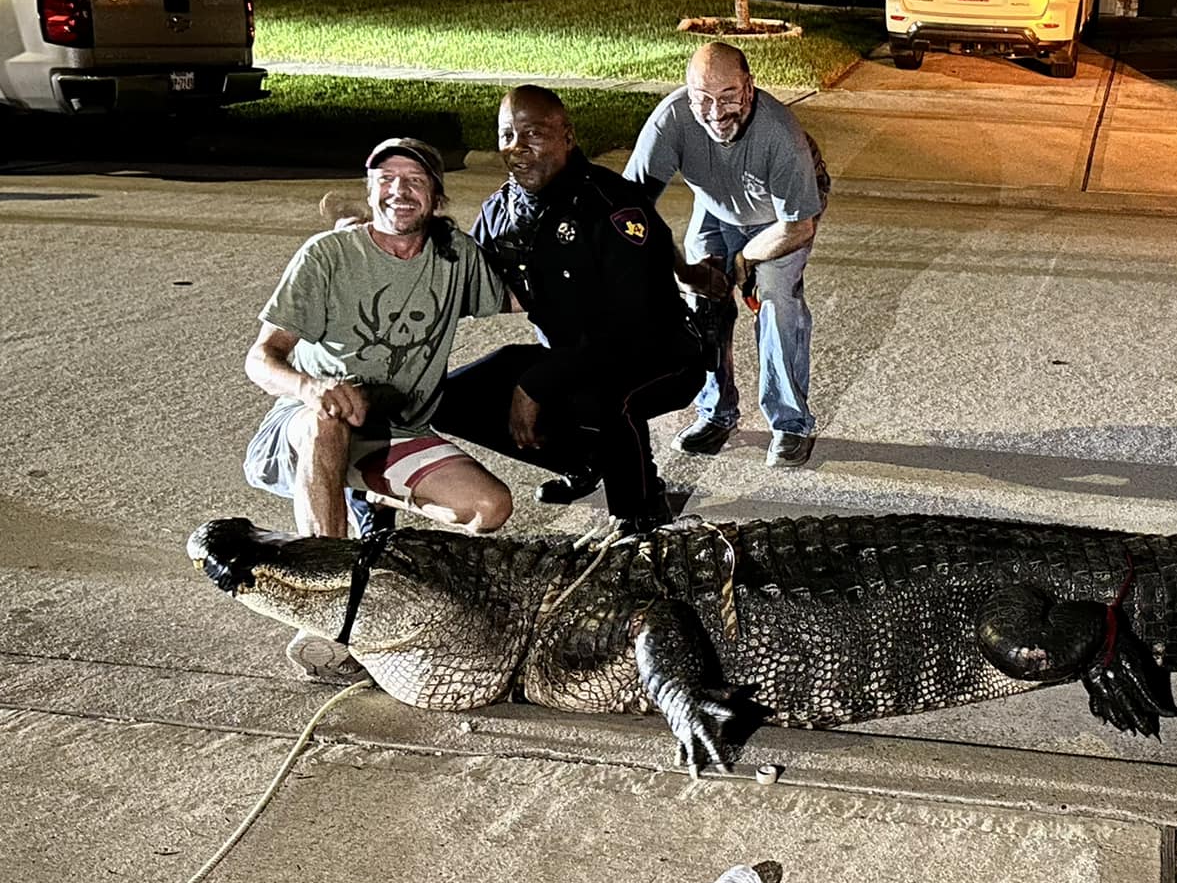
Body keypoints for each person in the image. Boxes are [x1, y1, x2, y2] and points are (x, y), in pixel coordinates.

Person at [243, 138, 513, 667]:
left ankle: (373, 521)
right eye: (385, 178)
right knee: (329, 420)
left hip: (391, 429)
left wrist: (640, 277)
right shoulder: (327, 255)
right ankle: (327, 599)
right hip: (303, 426)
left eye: (414, 180)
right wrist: (308, 387)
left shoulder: (454, 255)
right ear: (370, 190)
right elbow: (260, 358)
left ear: (436, 196)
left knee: (489, 508)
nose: (398, 190)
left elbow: (526, 296)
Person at [433, 85, 717, 531]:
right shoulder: (499, 211)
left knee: (601, 397)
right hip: (570, 359)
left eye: (534, 134)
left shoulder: (612, 206)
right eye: (507, 135)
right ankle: (586, 457)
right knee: (444, 398)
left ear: (567, 135)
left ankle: (640, 510)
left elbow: (630, 328)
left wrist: (537, 385)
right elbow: (463, 286)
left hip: (660, 355)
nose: (518, 149)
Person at [624, 41, 827, 468]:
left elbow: (799, 225)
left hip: (780, 222)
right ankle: (716, 412)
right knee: (703, 304)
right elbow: (628, 205)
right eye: (703, 99)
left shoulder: (780, 135)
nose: (716, 113)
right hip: (716, 206)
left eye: (729, 97)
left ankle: (791, 424)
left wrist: (742, 263)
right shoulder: (673, 119)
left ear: (749, 89)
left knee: (775, 299)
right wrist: (678, 268)